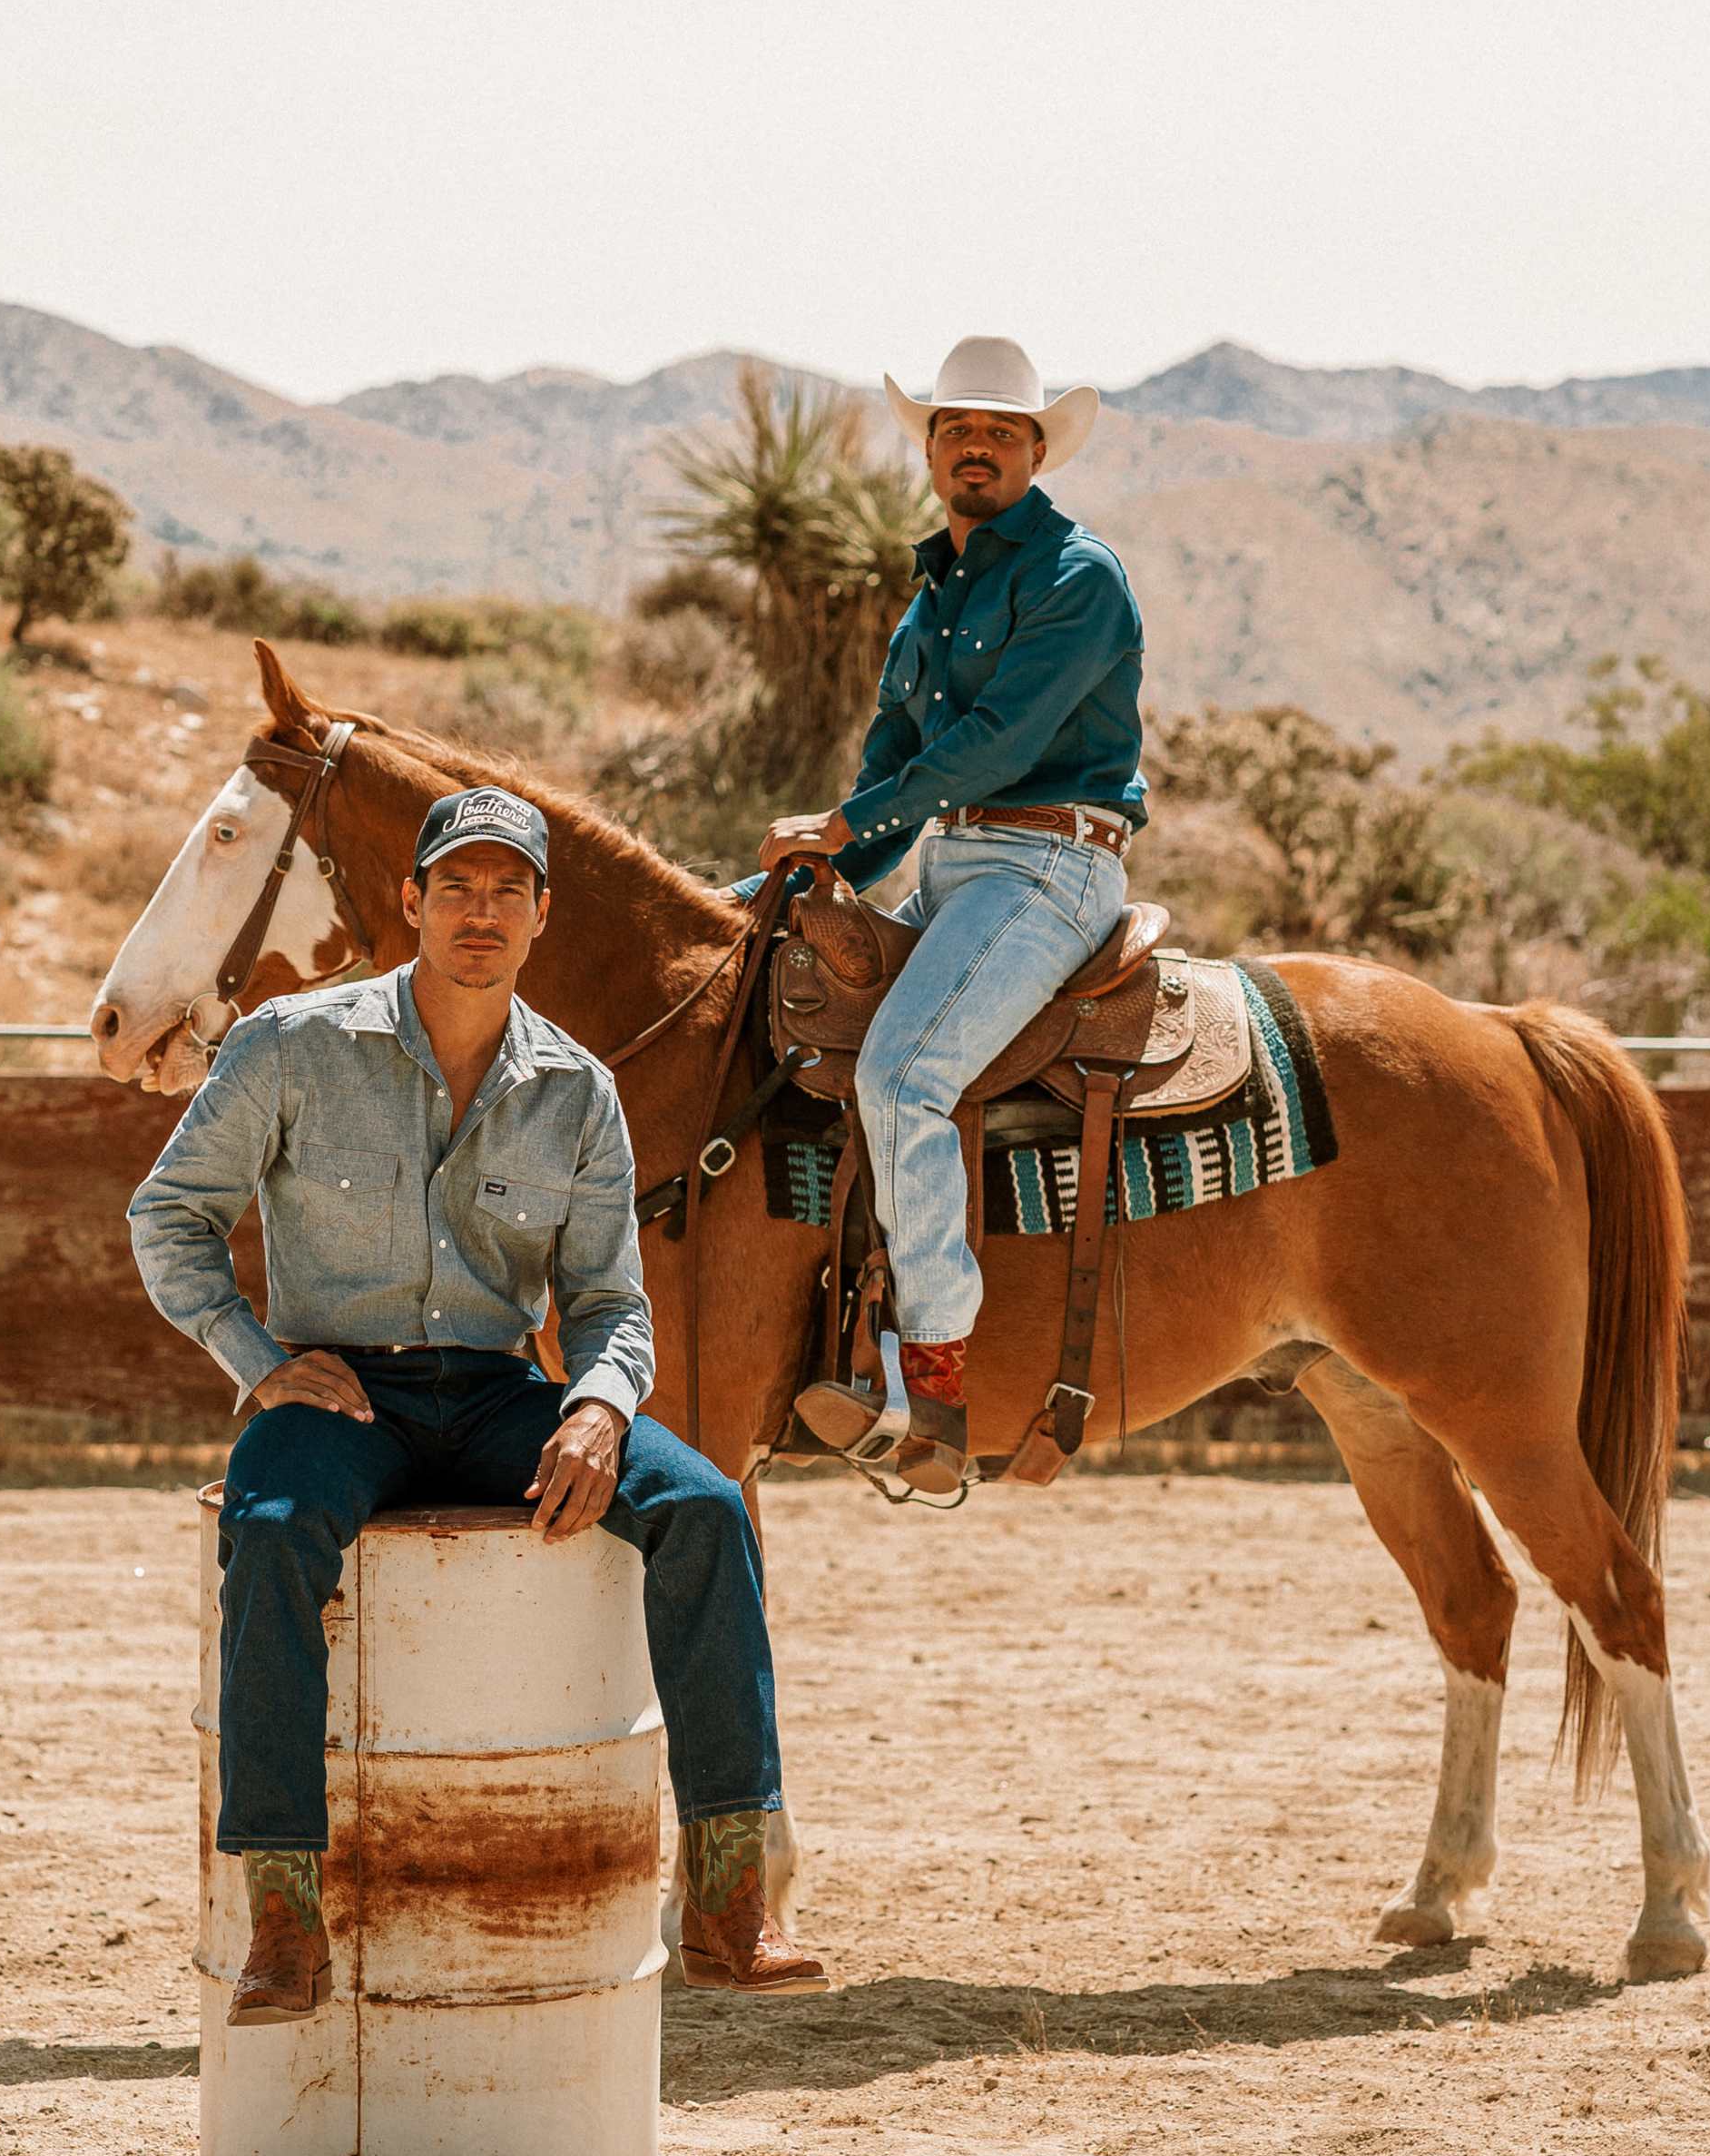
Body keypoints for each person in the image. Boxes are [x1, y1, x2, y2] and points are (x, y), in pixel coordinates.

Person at [129, 783, 827, 2026]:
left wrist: (604, 1406)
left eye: (510, 891)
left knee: (709, 1508)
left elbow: (610, 1300)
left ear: (544, 915)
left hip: (505, 1393)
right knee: (272, 1523)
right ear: (410, 901)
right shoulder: (292, 1045)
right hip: (340, 1391)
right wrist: (253, 1355)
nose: (481, 913)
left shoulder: (576, 1089)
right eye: (457, 886)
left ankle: (729, 1900)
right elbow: (167, 1214)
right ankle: (284, 1919)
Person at [754, 337, 1149, 1490]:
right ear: (929, 447)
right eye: (955, 428)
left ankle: (931, 1390)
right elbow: (895, 763)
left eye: (1000, 431)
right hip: (950, 860)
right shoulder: (932, 597)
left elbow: (1002, 745)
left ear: (1034, 451)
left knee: (902, 1075)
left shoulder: (1081, 575)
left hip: (1050, 870)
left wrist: (843, 824)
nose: (975, 445)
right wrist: (808, 875)